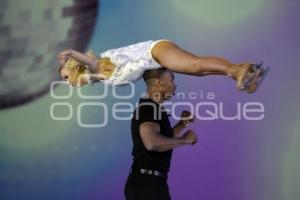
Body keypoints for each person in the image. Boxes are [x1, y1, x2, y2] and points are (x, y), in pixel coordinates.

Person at [57, 39, 268, 93]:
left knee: (196, 65)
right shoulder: (101, 77)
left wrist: (71, 54)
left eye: (65, 77)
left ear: (75, 70)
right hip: (156, 55)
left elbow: (90, 62)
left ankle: (238, 70)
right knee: (199, 71)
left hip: (154, 51)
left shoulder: (97, 67)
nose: (66, 83)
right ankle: (243, 71)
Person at [124, 68, 197, 200]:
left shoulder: (154, 108)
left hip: (150, 183)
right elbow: (152, 142)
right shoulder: (148, 108)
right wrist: (184, 140)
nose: (175, 85)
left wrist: (182, 124)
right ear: (158, 83)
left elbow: (163, 139)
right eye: (171, 79)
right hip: (147, 185)